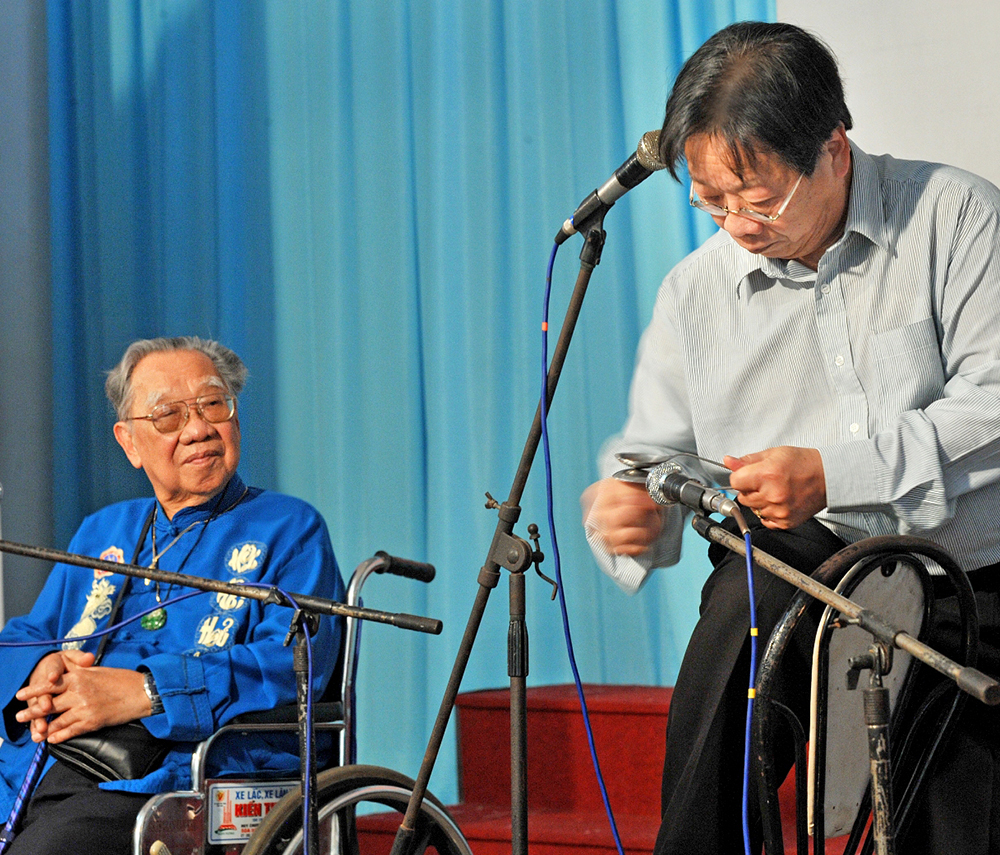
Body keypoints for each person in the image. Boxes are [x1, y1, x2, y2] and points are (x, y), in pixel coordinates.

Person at [581, 21, 1000, 855]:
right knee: (741, 607)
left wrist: (833, 469)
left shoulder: (955, 216)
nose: (737, 222)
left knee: (955, 819)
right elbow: (661, 456)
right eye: (712, 199)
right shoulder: (695, 293)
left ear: (834, 148)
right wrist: (634, 503)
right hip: (805, 561)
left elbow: (992, 404)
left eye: (760, 196)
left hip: (970, 570)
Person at [0, 336, 346, 855]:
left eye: (213, 404)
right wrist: (43, 665)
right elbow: (24, 635)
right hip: (43, 767)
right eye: (167, 415)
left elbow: (295, 661)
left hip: (174, 778)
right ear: (129, 443)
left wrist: (145, 693)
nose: (199, 428)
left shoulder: (289, 527)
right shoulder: (104, 531)